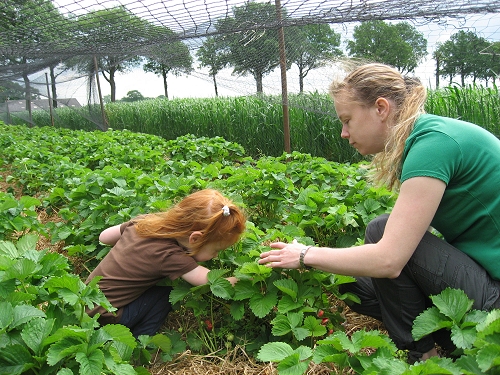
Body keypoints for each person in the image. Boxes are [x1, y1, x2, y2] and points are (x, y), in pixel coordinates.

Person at [259, 62, 500, 363]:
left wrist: (306, 255)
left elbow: (389, 259)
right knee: (353, 285)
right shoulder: (426, 137)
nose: (344, 133)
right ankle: (446, 344)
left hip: (495, 302)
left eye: (347, 120)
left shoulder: (433, 145)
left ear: (381, 108)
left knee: (379, 233)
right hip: (483, 282)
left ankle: (424, 357)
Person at [86, 188, 246, 337]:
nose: (216, 256)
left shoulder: (146, 222)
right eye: (215, 250)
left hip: (84, 301)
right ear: (195, 238)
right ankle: (140, 340)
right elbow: (213, 283)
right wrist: (247, 279)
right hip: (105, 317)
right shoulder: (170, 256)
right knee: (165, 295)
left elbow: (104, 237)